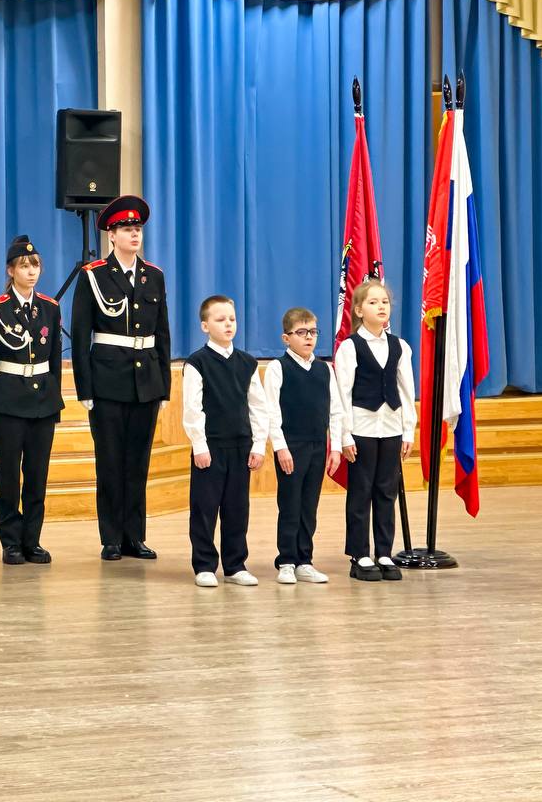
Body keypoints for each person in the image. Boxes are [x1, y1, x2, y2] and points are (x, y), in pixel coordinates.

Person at [70, 196, 171, 561]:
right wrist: (84, 387)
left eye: (137, 228)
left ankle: (134, 536)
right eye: (127, 229)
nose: (134, 234)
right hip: (108, 381)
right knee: (111, 461)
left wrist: (164, 385)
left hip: (145, 382)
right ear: (111, 235)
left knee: (138, 462)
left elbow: (162, 333)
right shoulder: (94, 275)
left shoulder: (153, 275)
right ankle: (111, 537)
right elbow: (80, 335)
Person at [0, 236, 63, 565]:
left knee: (37, 474)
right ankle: (10, 540)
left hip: (42, 401)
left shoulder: (50, 308)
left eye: (35, 265)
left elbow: (55, 360)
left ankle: (32, 540)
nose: (31, 272)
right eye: (24, 266)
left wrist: (54, 399)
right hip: (8, 401)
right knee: (10, 474)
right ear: (10, 270)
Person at [182, 295, 268, 588]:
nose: (228, 324)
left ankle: (235, 565)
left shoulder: (247, 363)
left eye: (232, 319)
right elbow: (193, 409)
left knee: (237, 508)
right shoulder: (197, 363)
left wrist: (258, 445)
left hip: (241, 446)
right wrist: (200, 445)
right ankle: (204, 564)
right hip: (212, 447)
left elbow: (258, 406)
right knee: (205, 508)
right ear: (205, 326)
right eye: (220, 320)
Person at [335, 281, 416, 582]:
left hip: (391, 427)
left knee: (386, 490)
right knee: (361, 491)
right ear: (358, 310)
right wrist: (345, 435)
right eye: (373, 302)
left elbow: (406, 391)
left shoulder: (399, 346)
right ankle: (360, 554)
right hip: (362, 428)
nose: (381, 306)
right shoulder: (350, 347)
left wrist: (408, 431)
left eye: (385, 302)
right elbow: (342, 393)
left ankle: (384, 551)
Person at [262, 308, 343, 585]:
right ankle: (286, 560)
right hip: (291, 446)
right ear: (286, 338)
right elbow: (272, 412)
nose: (309, 337)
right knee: (290, 504)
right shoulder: (278, 368)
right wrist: (281, 447)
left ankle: (304, 560)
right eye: (301, 332)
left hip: (318, 445)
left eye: (313, 332)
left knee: (309, 505)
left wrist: (335, 447)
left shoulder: (324, 369)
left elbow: (335, 410)